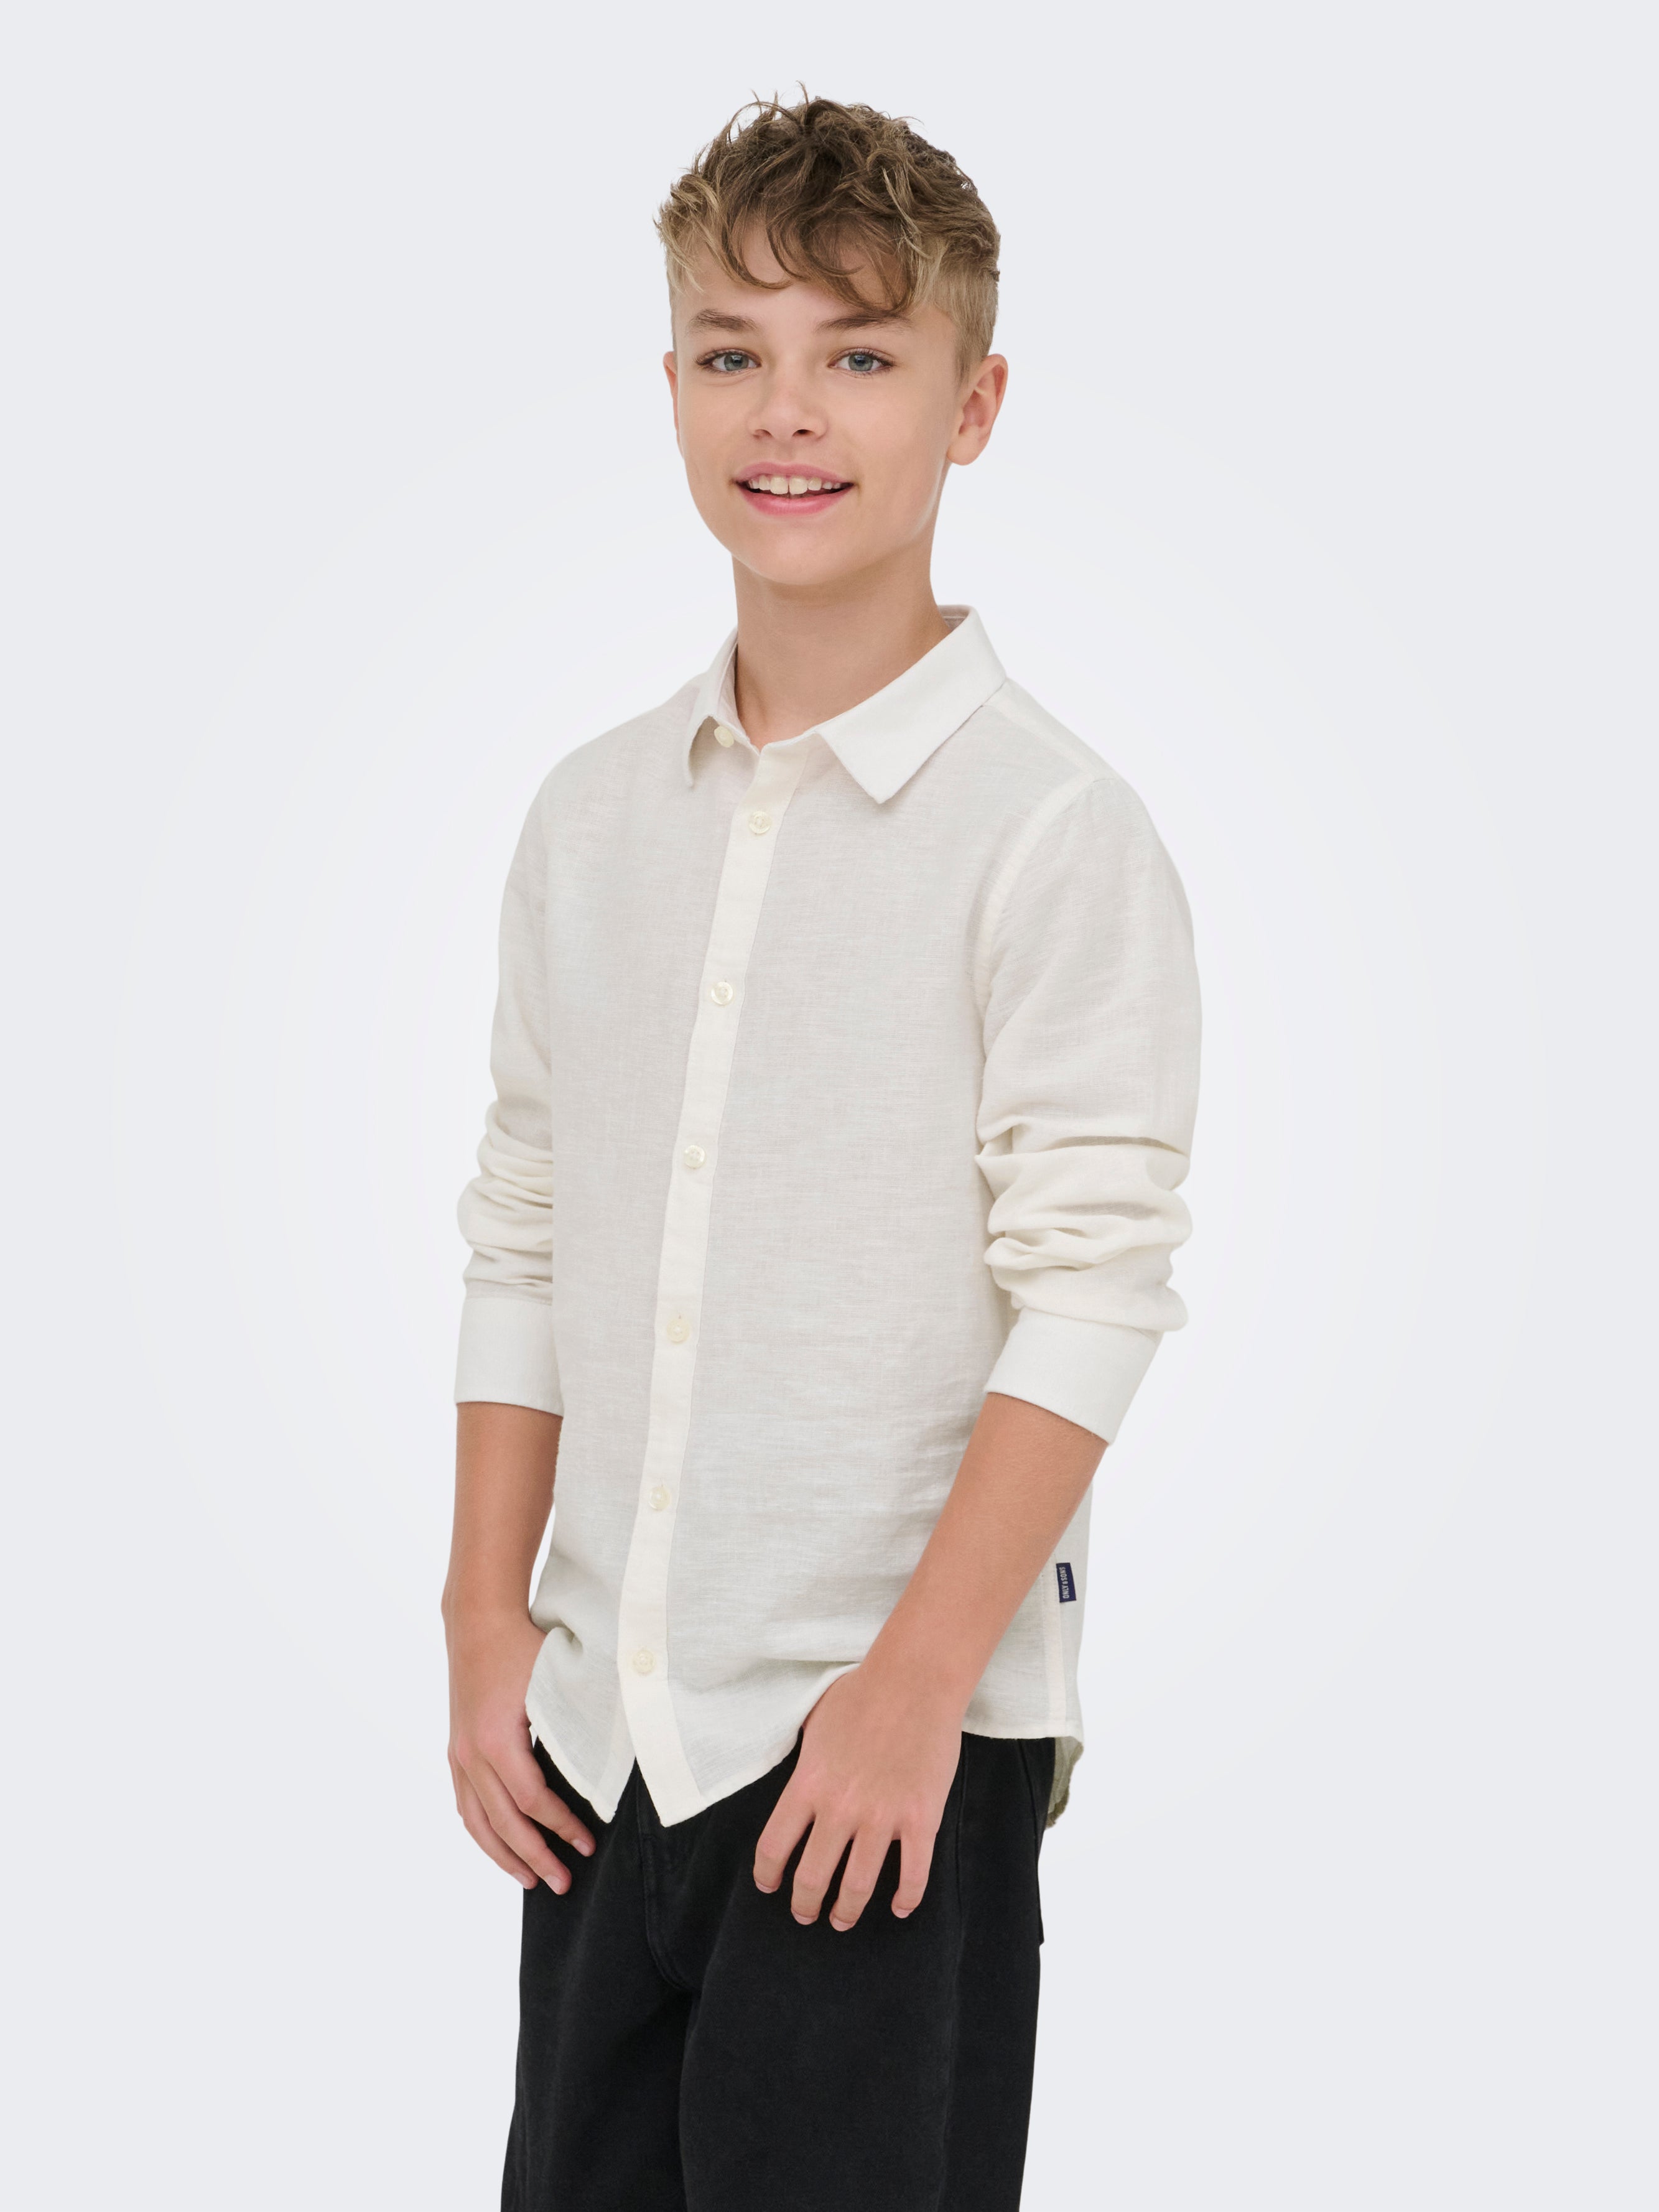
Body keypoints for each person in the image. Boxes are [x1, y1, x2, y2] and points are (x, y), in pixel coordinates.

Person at [443, 93, 1201, 2212]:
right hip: (603, 1737)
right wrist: (482, 1620)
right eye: (731, 350)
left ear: (972, 405)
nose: (786, 411)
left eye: (858, 353)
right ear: (673, 382)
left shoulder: (1049, 832)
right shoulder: (593, 816)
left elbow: (1090, 1281)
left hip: (881, 1749)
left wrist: (915, 1687)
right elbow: (523, 1219)